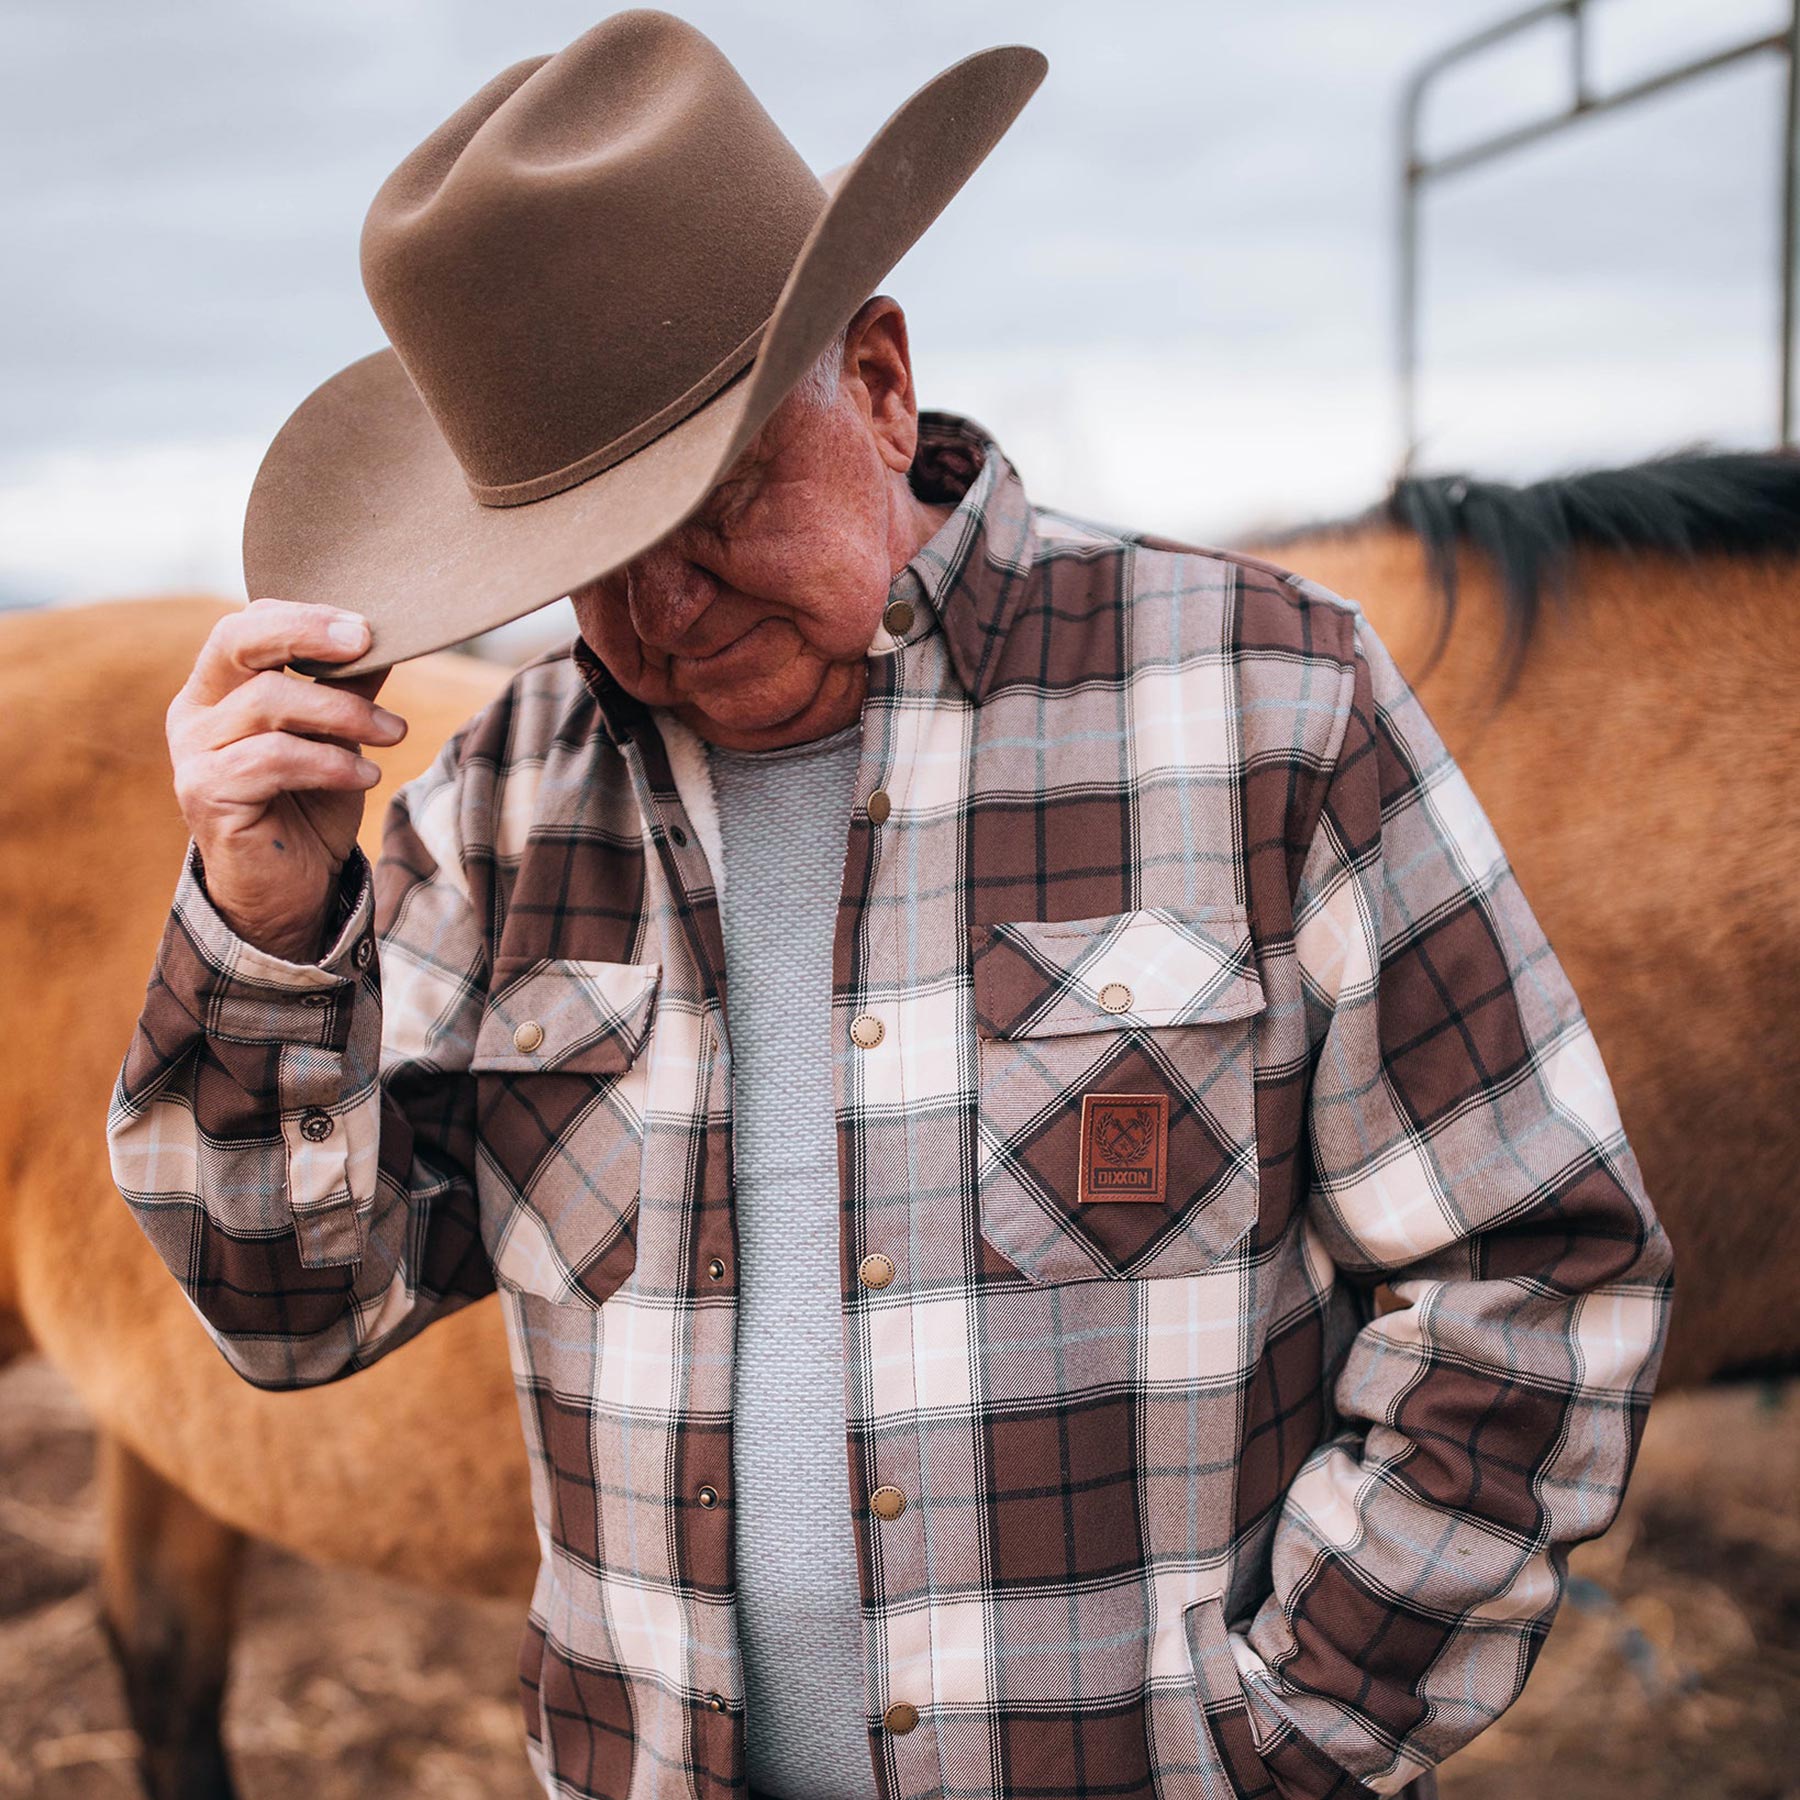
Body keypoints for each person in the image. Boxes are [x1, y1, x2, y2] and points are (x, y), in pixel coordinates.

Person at [107, 13, 1672, 1800]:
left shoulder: (1266, 702)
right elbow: (292, 1307)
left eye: (718, 502)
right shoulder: (504, 802)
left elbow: (1534, 1270)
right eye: (585, 564)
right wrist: (271, 919)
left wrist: (1294, 1735)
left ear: (877, 381)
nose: (668, 611)